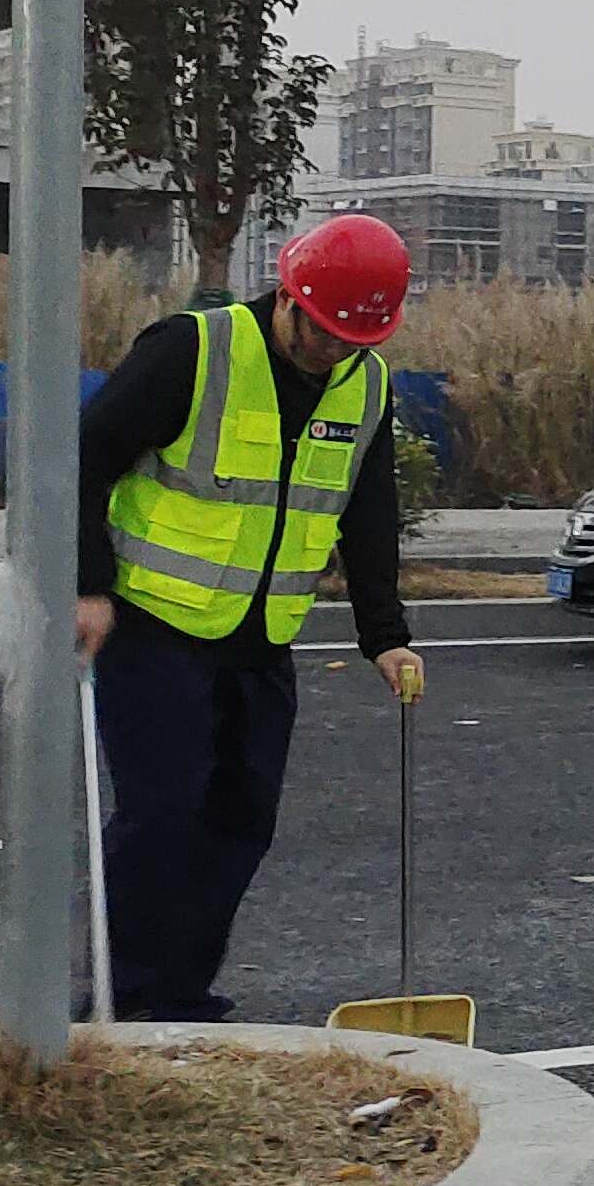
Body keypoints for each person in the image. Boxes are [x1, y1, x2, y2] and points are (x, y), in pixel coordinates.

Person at [74, 215, 425, 1020]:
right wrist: (88, 585)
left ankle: (184, 993)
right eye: (326, 332)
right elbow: (85, 454)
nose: (335, 351)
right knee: (162, 814)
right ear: (291, 297)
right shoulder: (193, 351)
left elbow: (368, 508)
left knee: (241, 819)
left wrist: (386, 635)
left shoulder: (365, 383)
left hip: (263, 638)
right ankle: (126, 1002)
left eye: (354, 339)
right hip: (154, 624)